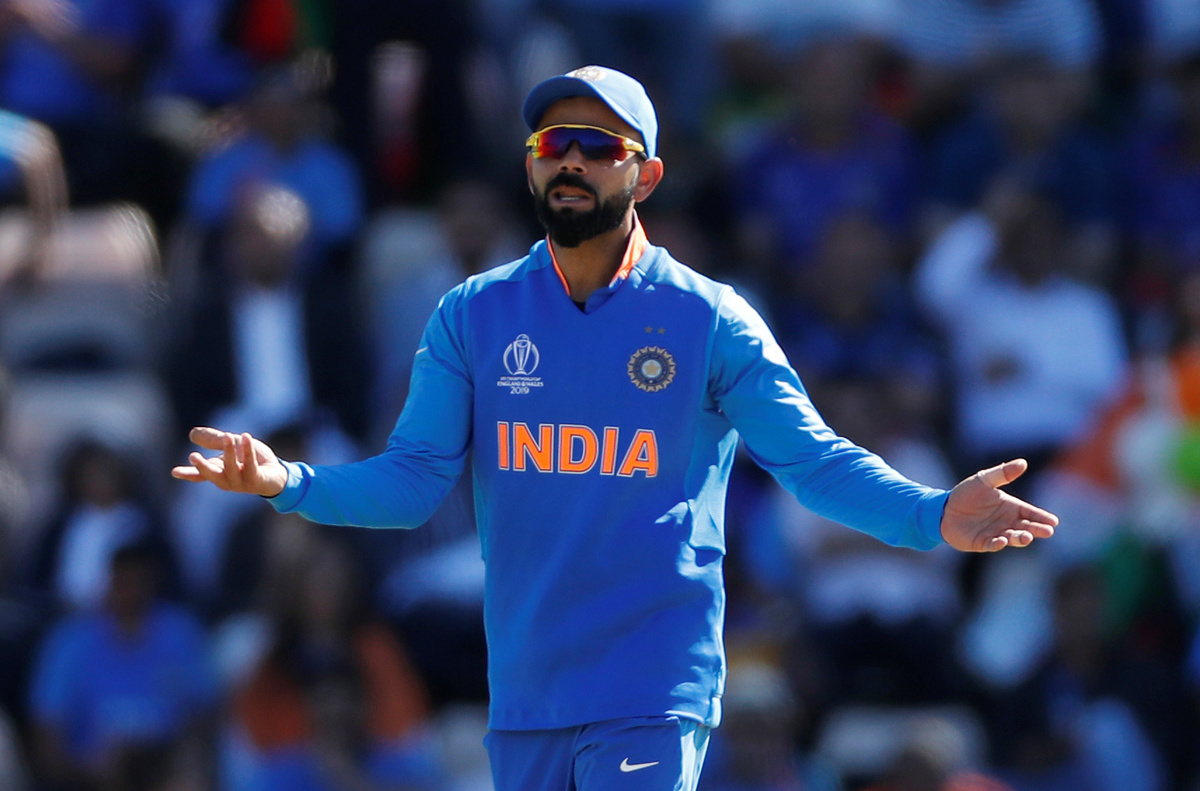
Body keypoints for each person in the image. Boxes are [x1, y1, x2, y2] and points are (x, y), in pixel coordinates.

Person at [171, 65, 1059, 791]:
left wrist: (928, 513)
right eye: (552, 145)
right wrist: (287, 482)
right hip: (527, 692)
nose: (571, 161)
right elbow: (411, 483)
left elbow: (812, 460)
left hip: (651, 684)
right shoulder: (472, 314)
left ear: (648, 176)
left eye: (598, 147)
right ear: (530, 167)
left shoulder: (709, 319)